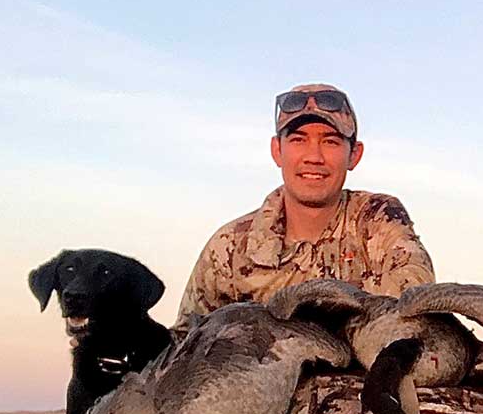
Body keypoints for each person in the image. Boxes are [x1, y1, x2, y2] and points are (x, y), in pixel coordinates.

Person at [177, 84, 435, 321]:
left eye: (330, 141)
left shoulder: (379, 220)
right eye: (298, 140)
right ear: (277, 151)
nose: (314, 156)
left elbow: (414, 305)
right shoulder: (230, 248)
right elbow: (185, 344)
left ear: (354, 155)